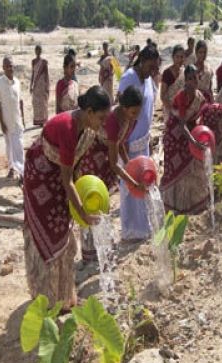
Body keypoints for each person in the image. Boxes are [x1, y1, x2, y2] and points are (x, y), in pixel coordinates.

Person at [23, 86, 111, 309]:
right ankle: (47, 300)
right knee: (52, 236)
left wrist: (82, 198)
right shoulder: (69, 129)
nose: (102, 123)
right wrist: (83, 214)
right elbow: (66, 180)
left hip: (60, 176)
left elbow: (76, 169)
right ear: (89, 112)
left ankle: (64, 298)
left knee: (65, 239)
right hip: (42, 179)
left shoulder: (87, 130)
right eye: (101, 118)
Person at [77, 86, 144, 262]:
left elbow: (120, 144)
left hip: (106, 159)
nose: (136, 116)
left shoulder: (130, 120)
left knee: (104, 202)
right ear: (124, 108)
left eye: (138, 113)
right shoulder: (113, 121)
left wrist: (130, 165)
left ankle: (103, 245)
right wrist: (133, 182)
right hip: (93, 159)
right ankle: (91, 252)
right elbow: (115, 164)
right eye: (133, 112)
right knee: (93, 201)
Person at [117, 45, 159, 242]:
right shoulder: (128, 78)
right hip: (128, 142)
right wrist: (123, 140)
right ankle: (130, 230)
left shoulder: (149, 80)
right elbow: (122, 110)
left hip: (143, 142)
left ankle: (143, 227)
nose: (152, 71)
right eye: (150, 66)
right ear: (141, 61)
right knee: (130, 186)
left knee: (144, 183)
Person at [160, 65, 209, 214]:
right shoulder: (182, 97)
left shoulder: (199, 97)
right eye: (189, 79)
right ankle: (171, 205)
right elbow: (181, 124)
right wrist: (194, 142)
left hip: (188, 133)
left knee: (191, 167)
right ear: (185, 81)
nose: (193, 81)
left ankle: (191, 203)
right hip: (174, 136)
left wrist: (201, 135)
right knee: (174, 171)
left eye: (195, 78)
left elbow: (199, 118)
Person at [0, 56, 25, 179]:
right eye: (7, 66)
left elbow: (20, 101)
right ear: (3, 68)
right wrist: (1, 123)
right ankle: (12, 168)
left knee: (19, 146)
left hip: (17, 121)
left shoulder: (17, 82)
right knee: (9, 147)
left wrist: (23, 117)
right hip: (6, 121)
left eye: (11, 65)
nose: (9, 68)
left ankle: (22, 172)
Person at [160, 44, 185, 122]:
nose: (179, 59)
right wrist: (172, 111)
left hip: (182, 108)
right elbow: (163, 95)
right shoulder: (167, 73)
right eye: (177, 57)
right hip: (169, 110)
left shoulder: (184, 72)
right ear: (173, 57)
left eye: (181, 57)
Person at [30, 45, 49, 126]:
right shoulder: (33, 61)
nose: (38, 51)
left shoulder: (44, 62)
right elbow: (33, 73)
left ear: (41, 51)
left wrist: (47, 86)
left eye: (39, 50)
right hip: (36, 85)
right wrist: (30, 85)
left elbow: (47, 74)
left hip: (42, 85)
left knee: (43, 103)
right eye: (36, 50)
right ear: (35, 51)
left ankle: (43, 121)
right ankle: (38, 120)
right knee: (36, 103)